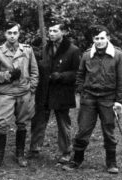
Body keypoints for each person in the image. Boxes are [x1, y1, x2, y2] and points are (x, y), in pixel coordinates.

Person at [62, 25, 122, 174]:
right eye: (96, 38)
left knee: (109, 131)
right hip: (89, 98)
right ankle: (76, 160)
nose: (99, 41)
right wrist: (81, 90)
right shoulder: (87, 55)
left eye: (102, 38)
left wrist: (119, 101)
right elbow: (80, 74)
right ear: (93, 39)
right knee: (83, 130)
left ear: (108, 38)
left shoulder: (117, 55)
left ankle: (111, 162)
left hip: (109, 99)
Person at [0, 21, 39, 169]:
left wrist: (31, 88)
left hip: (24, 93)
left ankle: (20, 155)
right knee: (2, 124)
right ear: (5, 34)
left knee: (22, 123)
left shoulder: (27, 50)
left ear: (19, 34)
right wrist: (7, 75)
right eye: (9, 33)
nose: (12, 36)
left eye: (15, 33)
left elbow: (34, 71)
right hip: (6, 93)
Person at [28, 21, 81, 163]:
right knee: (39, 120)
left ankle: (66, 151)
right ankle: (35, 148)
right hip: (44, 90)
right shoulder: (45, 48)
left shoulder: (73, 50)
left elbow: (77, 73)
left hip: (62, 92)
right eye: (50, 31)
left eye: (55, 31)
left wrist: (62, 76)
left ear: (63, 32)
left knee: (63, 123)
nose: (51, 33)